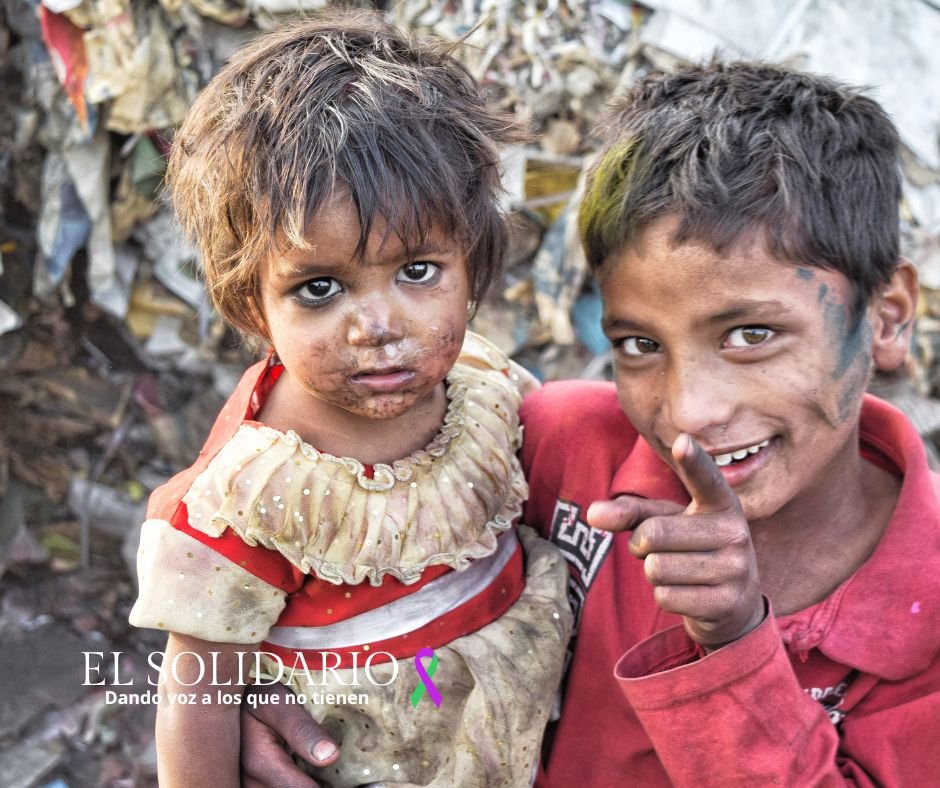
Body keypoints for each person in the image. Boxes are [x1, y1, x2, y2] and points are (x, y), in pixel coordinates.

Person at [239, 60, 940, 786]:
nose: (691, 413)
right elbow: (305, 480)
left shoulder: (929, 626)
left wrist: (734, 644)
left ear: (886, 318)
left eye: (751, 335)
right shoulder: (560, 448)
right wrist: (252, 691)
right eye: (639, 345)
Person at [127, 11, 572, 788]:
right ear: (250, 304)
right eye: (319, 288)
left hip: (524, 727)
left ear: (474, 263)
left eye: (419, 271)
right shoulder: (252, 496)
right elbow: (198, 696)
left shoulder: (485, 386)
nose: (378, 327)